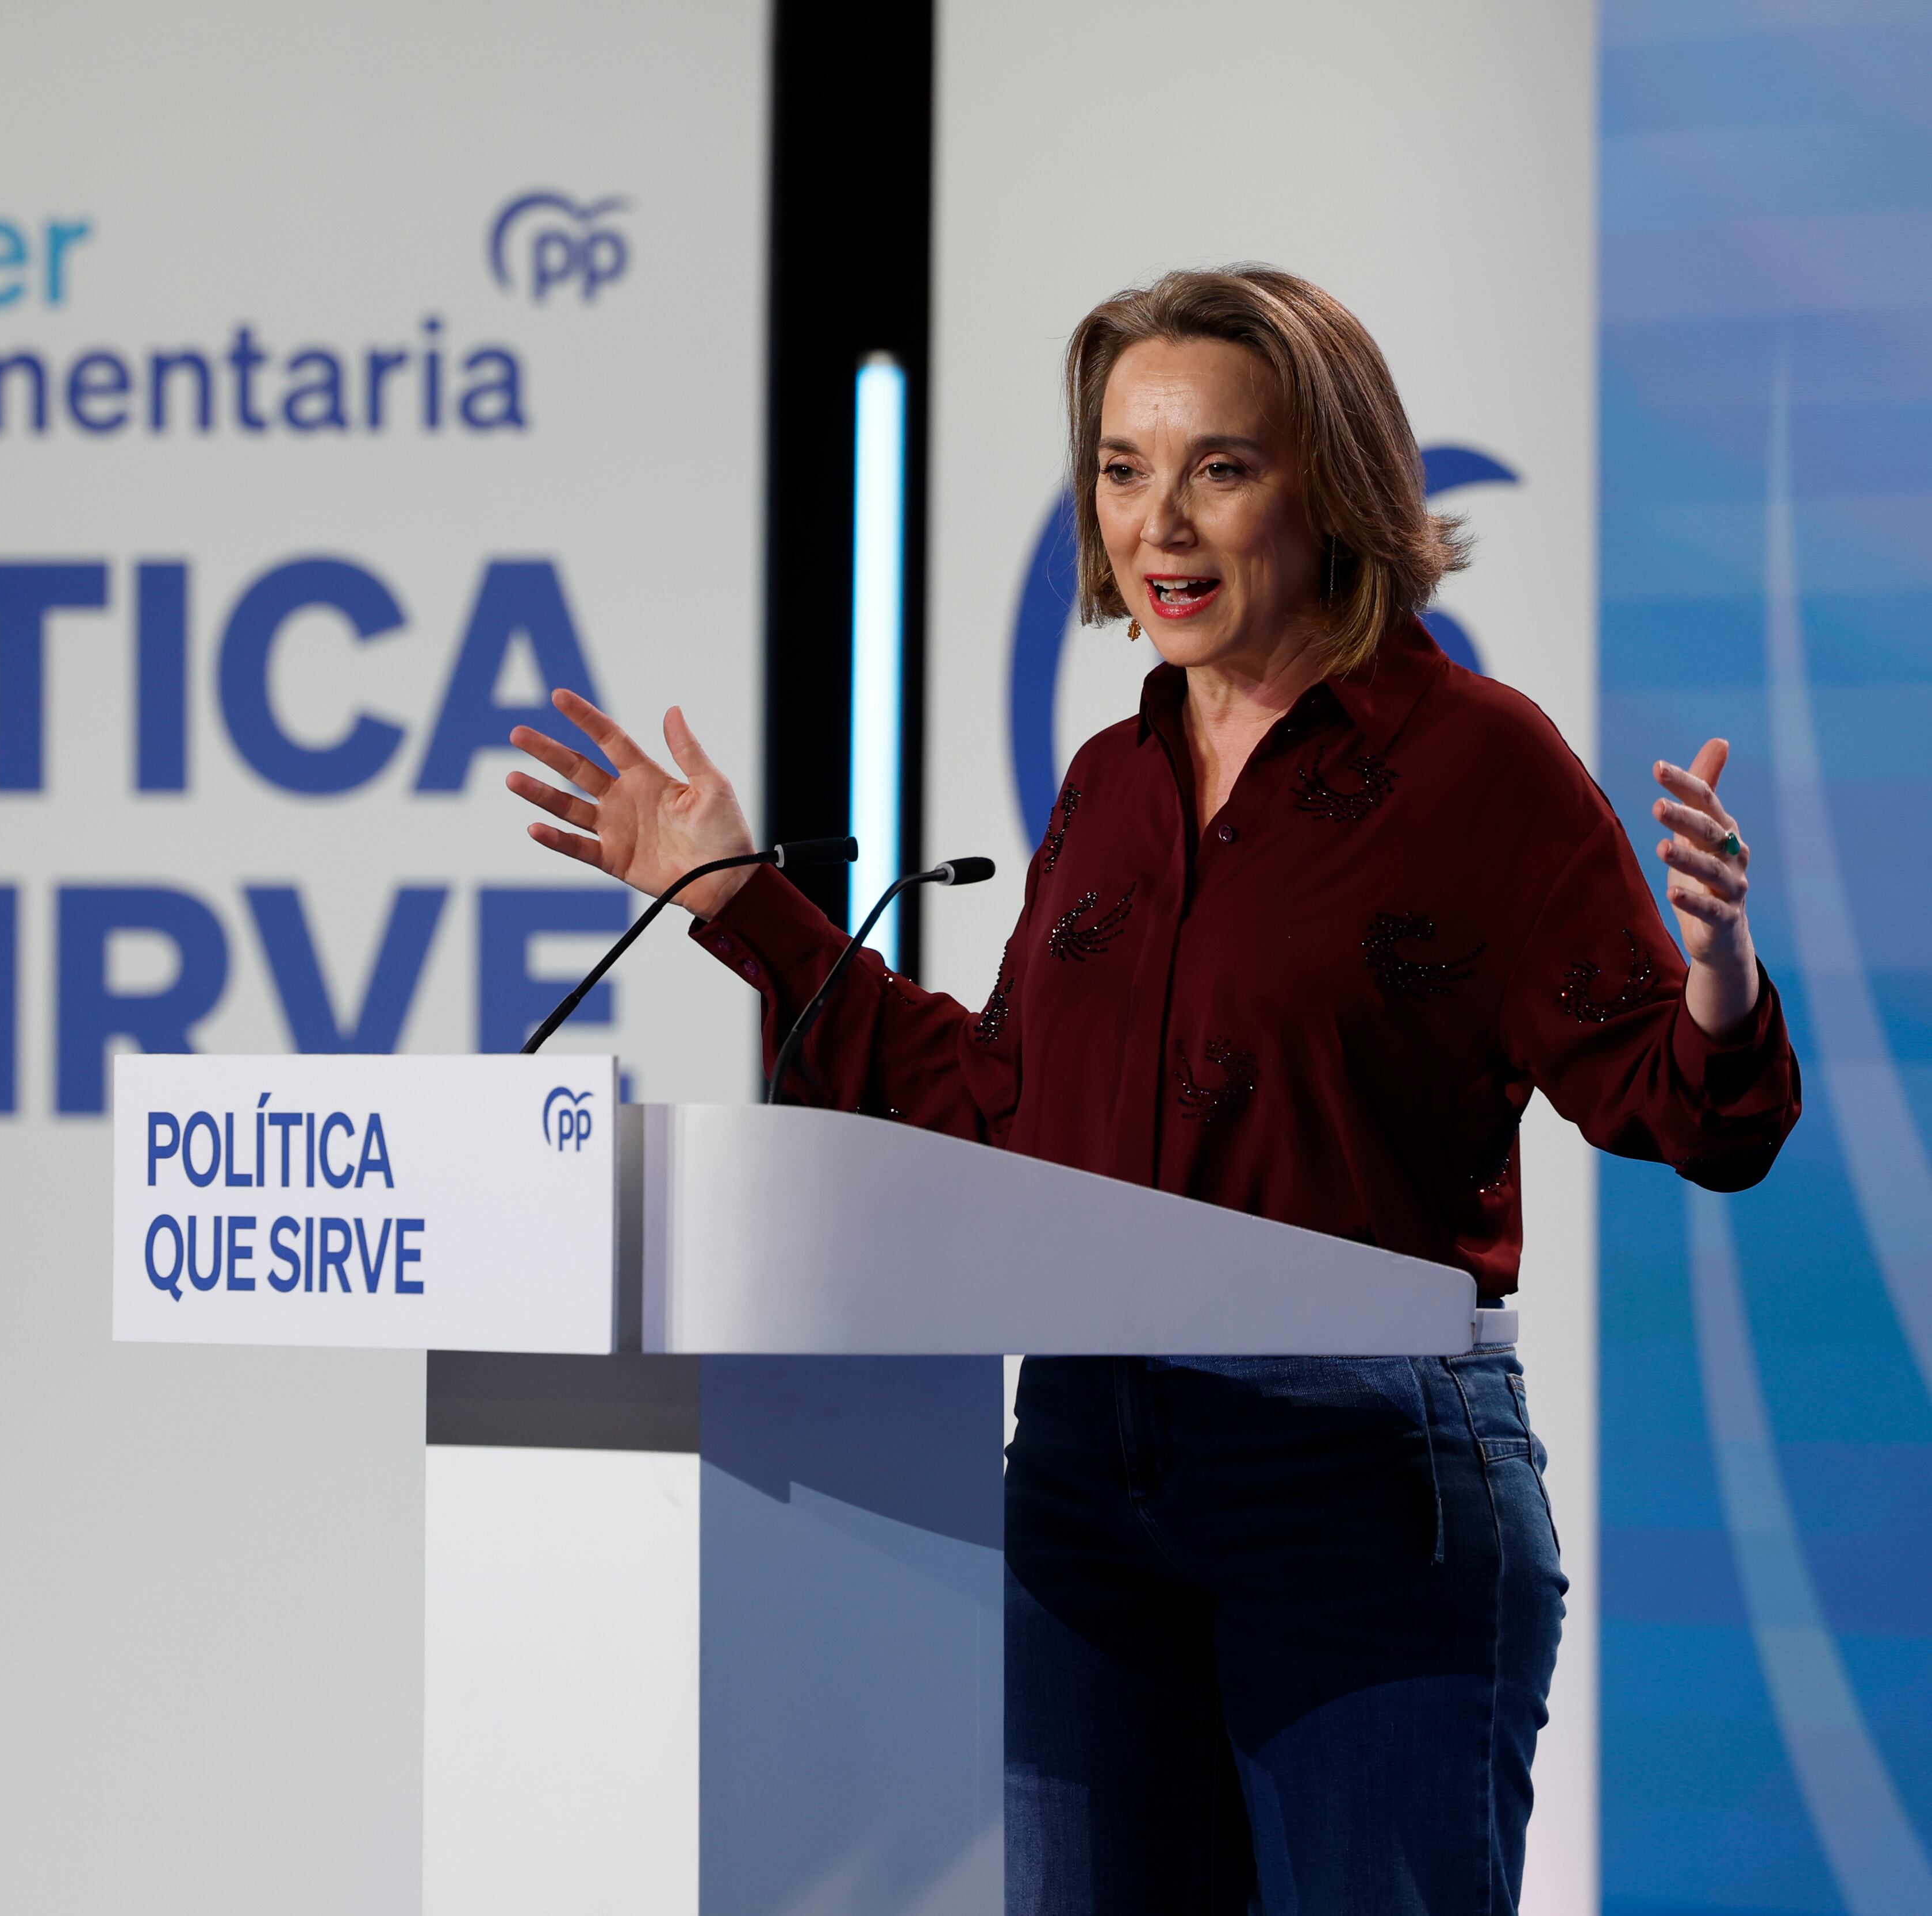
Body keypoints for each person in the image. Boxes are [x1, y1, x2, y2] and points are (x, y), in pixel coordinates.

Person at [502, 266, 1801, 1914]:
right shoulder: (1109, 788)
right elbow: (995, 1112)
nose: (1157, 523)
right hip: (1090, 1474)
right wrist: (738, 906)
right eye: (1122, 470)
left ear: (1326, 486)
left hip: (1361, 1487)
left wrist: (1720, 975)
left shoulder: (1481, 767)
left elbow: (1694, 1117)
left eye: (1220, 468)